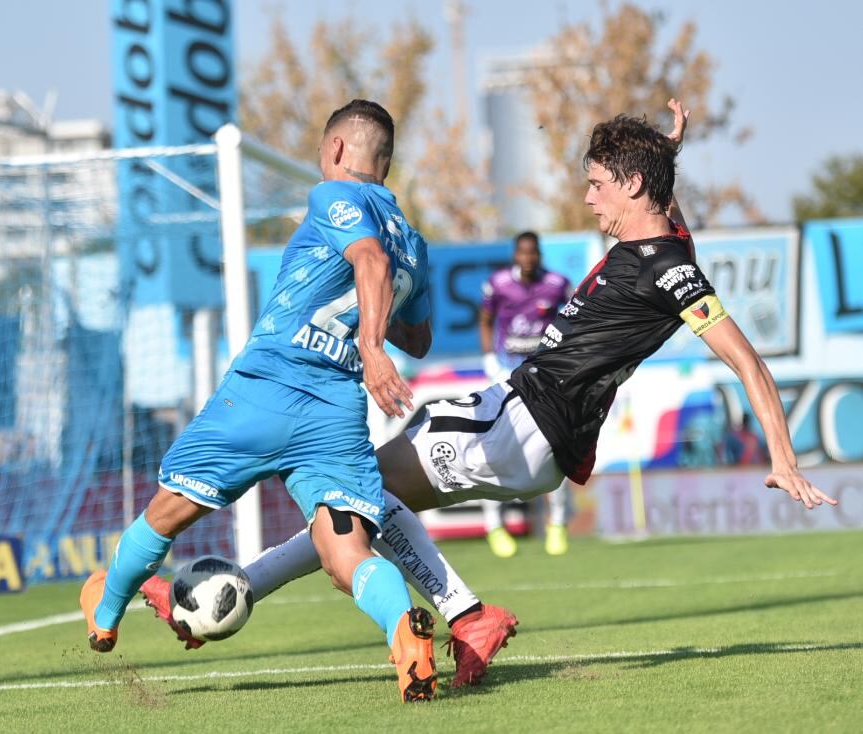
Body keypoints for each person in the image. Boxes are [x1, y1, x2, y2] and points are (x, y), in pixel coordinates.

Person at [139, 99, 837, 688]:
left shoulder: (673, 276)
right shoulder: (669, 243)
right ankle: (235, 588)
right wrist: (665, 150)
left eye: (597, 185)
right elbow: (665, 210)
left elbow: (750, 364)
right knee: (350, 507)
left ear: (629, 184)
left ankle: (465, 613)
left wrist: (782, 459)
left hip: (520, 423)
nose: (588, 199)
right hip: (532, 434)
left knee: (356, 495)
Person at [80, 100, 443, 702]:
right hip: (335, 411)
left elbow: (368, 261)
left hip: (268, 387)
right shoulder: (416, 244)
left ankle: (106, 612)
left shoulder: (334, 196)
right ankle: (404, 632)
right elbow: (422, 337)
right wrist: (377, 332)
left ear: (335, 151)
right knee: (346, 552)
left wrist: (373, 346)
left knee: (170, 511)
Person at [479, 232, 572, 558]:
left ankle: (557, 524)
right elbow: (486, 319)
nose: (528, 258)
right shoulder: (499, 283)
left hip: (545, 373)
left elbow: (574, 319)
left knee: (554, 443)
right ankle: (494, 525)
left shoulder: (558, 283)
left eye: (533, 253)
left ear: (539, 255)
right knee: (496, 444)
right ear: (516, 255)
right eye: (522, 253)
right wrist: (489, 358)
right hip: (507, 372)